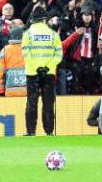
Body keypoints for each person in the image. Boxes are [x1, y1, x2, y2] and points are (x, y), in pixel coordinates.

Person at [22, 8, 62, 136]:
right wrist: (47, 67)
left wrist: (37, 67)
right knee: (48, 103)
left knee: (31, 103)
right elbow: (59, 55)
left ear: (33, 19)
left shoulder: (27, 34)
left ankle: (30, 132)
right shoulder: (54, 35)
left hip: (32, 73)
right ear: (45, 19)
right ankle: (49, 132)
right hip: (49, 73)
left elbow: (26, 53)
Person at [0, 26, 27, 96]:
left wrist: (0, 90)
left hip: (10, 92)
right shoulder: (29, 49)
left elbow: (0, 72)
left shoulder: (4, 50)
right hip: (28, 92)